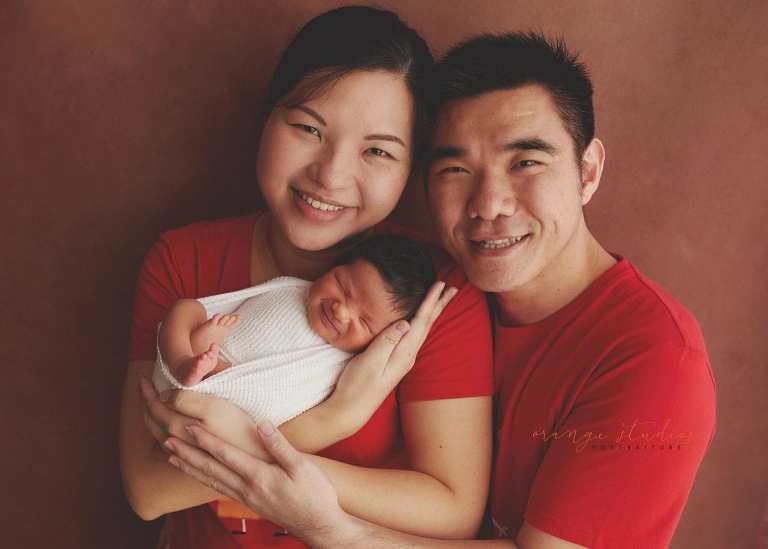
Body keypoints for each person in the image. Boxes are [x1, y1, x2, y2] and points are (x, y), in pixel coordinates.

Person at [161, 32, 717, 548]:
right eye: (455, 170)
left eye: (526, 162)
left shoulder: (653, 358)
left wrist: (334, 527)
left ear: (588, 170)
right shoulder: (423, 290)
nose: (489, 204)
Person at [120, 6, 494, 549]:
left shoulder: (430, 296)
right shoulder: (183, 261)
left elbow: (452, 510)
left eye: (378, 151)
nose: (332, 173)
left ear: (410, 170)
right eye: (308, 128)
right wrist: (332, 420)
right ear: (267, 118)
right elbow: (149, 490)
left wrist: (255, 463)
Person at [154, 235, 437, 428]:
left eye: (364, 321)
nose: (341, 311)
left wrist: (218, 367)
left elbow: (276, 402)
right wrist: (199, 337)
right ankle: (183, 361)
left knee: (235, 406)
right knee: (184, 308)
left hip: (226, 398)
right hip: (185, 358)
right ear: (335, 266)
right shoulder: (294, 288)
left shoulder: (337, 364)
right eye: (342, 285)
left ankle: (206, 368)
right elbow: (230, 306)